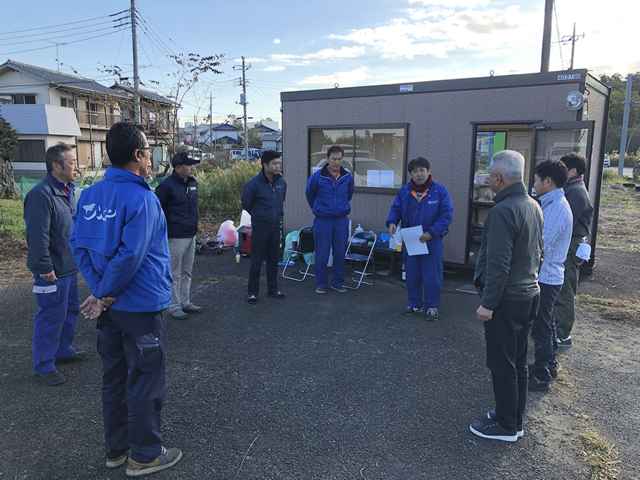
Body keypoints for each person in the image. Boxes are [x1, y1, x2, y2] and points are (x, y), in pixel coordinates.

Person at [70, 122, 181, 476]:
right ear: (138, 155)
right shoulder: (142, 198)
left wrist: (101, 294)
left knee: (114, 380)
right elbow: (131, 256)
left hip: (111, 310)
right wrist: (103, 294)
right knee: (144, 381)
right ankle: (145, 455)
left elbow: (79, 246)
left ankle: (116, 451)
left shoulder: (88, 196)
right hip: (139, 307)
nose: (152, 159)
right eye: (150, 152)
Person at [470, 150, 543, 442]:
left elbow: (499, 264)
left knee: (502, 363)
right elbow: (540, 250)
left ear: (498, 178)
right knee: (518, 361)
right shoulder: (533, 204)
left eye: (489, 175)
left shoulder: (502, 210)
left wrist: (488, 304)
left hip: (507, 299)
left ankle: (505, 425)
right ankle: (513, 417)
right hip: (529, 293)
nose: (487, 179)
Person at [23, 143, 87, 386]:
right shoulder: (42, 194)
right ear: (56, 166)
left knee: (70, 311)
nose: (76, 166)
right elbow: (37, 236)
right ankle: (44, 365)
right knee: (51, 315)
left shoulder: (67, 190)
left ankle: (63, 350)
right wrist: (43, 267)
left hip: (68, 265)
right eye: (72, 162)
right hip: (51, 270)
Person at [386, 157, 453, 320]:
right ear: (411, 174)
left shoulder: (440, 191)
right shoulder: (404, 191)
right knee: (412, 274)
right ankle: (414, 304)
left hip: (432, 241)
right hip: (411, 240)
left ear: (428, 171)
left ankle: (431, 307)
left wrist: (431, 232)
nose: (419, 174)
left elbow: (446, 215)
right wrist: (392, 222)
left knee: (432, 276)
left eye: (422, 170)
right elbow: (396, 209)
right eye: (415, 171)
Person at [528, 160, 573, 391]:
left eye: (536, 179)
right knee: (547, 323)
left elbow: (540, 244)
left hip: (546, 277)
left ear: (548, 181)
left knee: (541, 327)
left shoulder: (556, 208)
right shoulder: (553, 203)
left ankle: (541, 375)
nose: (534, 183)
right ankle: (549, 365)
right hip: (549, 276)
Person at [553, 153, 594, 348]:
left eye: (564, 167)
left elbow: (565, 222)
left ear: (573, 170)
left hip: (571, 244)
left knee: (565, 289)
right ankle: (557, 330)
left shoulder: (576, 192)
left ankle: (562, 334)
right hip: (571, 243)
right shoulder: (573, 189)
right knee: (562, 287)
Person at [155, 152, 202, 320]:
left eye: (192, 165)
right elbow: (156, 212)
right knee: (173, 273)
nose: (192, 168)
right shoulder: (166, 186)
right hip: (174, 237)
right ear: (178, 168)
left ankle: (185, 301)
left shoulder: (192, 183)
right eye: (189, 165)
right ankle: (173, 305)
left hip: (191, 235)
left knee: (187, 271)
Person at [305, 145, 354, 294]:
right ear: (327, 159)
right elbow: (310, 194)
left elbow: (349, 195)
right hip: (323, 220)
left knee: (340, 253)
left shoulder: (347, 177)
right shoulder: (317, 177)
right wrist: (319, 209)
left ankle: (337, 283)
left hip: (341, 220)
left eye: (339, 159)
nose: (337, 162)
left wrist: (339, 209)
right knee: (322, 253)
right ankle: (321, 283)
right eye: (334, 159)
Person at [241, 150, 287, 303]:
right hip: (260, 226)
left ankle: (273, 290)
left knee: (274, 259)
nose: (277, 166)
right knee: (256, 260)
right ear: (265, 165)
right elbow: (246, 203)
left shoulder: (281, 183)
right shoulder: (252, 184)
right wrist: (259, 215)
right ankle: (252, 292)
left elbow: (281, 201)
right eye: (274, 163)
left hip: (275, 226)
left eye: (278, 163)